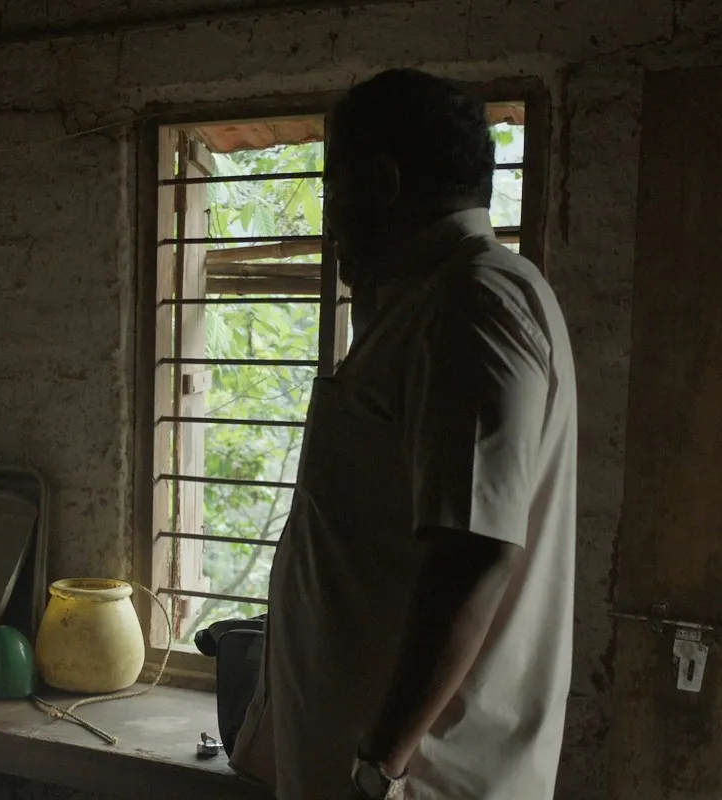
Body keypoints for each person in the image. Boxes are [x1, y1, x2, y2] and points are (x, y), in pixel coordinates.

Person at [229, 69, 577, 800]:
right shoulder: (428, 307)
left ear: (382, 183)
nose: (328, 218)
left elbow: (474, 553)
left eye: (332, 189)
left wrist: (377, 767)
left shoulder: (470, 305)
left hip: (410, 785)